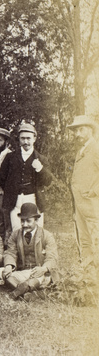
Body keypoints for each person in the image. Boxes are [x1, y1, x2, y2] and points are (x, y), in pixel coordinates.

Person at [0, 123, 52, 231]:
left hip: (33, 198)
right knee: (17, 229)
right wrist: (11, 190)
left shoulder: (41, 159)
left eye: (28, 138)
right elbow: (1, 178)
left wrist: (40, 169)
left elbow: (48, 181)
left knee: (36, 230)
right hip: (15, 199)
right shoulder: (10, 157)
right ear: (19, 139)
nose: (26, 142)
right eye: (23, 138)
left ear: (34, 138)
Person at [0, 203, 58, 299]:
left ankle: (15, 294)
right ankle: (26, 292)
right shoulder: (15, 235)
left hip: (39, 271)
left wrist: (43, 269)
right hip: (22, 271)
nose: (25, 224)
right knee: (5, 274)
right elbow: (10, 252)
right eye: (22, 221)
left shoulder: (47, 236)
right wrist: (9, 266)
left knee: (37, 278)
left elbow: (52, 257)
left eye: (28, 221)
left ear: (36, 220)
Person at [67, 115, 99, 270]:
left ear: (90, 130)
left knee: (96, 238)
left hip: (93, 204)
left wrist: (94, 191)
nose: (77, 134)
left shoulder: (96, 148)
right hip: (80, 204)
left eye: (81, 130)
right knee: (84, 239)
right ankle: (88, 273)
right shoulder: (81, 150)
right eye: (75, 131)